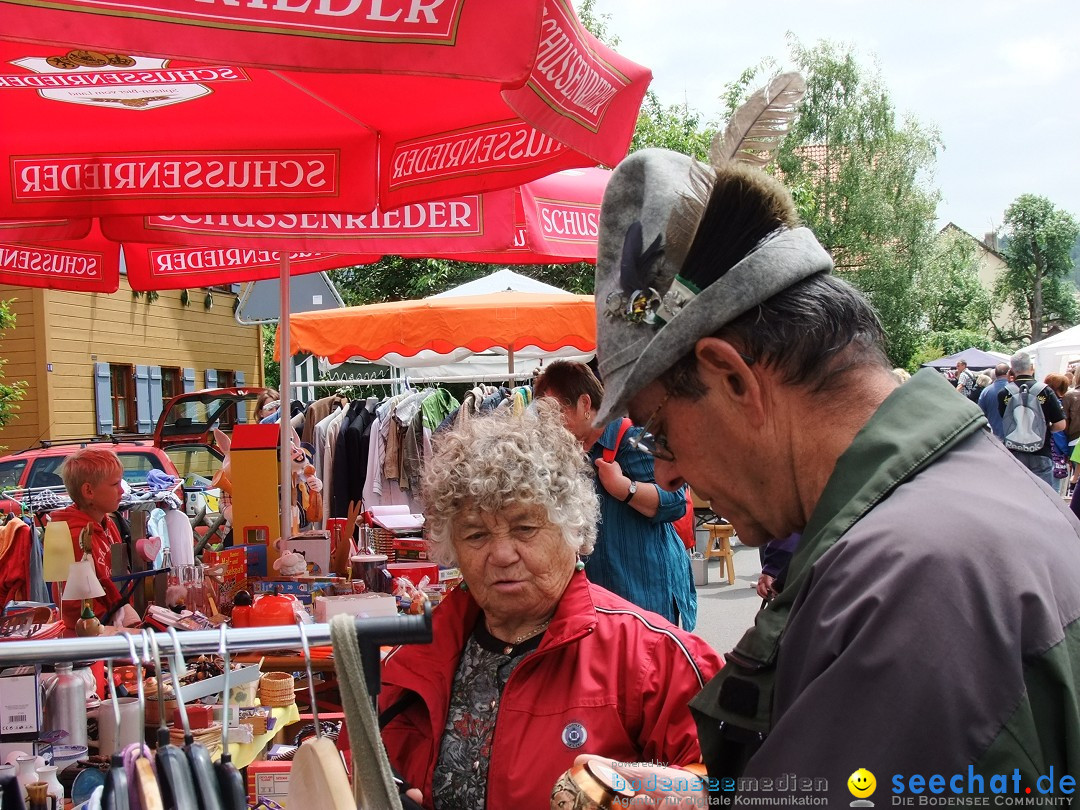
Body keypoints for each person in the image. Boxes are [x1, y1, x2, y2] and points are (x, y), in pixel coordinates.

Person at [580, 138, 1080, 804]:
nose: (668, 474)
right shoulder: (974, 501)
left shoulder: (903, 590)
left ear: (731, 376)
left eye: (660, 431)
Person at [376, 401, 721, 809]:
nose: (501, 554)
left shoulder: (657, 660)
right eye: (475, 536)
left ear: (573, 528)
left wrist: (650, 793)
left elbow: (730, 784)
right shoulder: (413, 661)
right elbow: (357, 770)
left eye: (525, 527)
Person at [533, 359, 696, 629]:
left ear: (585, 405)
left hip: (645, 592)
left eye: (557, 412)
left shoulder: (635, 436)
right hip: (596, 597)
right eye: (544, 415)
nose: (550, 423)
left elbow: (676, 501)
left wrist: (625, 489)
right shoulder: (562, 450)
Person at [51, 447, 126, 633]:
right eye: (115, 484)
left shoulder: (108, 524)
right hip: (88, 637)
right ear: (89, 491)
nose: (122, 490)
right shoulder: (73, 536)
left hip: (115, 624)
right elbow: (74, 605)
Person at [996, 351, 1066, 488]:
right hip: (1040, 451)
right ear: (1032, 367)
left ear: (1012, 369)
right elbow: (1061, 424)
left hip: (1014, 451)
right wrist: (1046, 428)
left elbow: (1004, 419)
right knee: (1043, 497)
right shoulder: (1045, 391)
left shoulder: (1004, 393)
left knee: (1017, 496)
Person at [977, 362, 1010, 439]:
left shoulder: (986, 391)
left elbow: (980, 413)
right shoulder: (1016, 389)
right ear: (1009, 372)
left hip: (995, 436)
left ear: (995, 373)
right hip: (1013, 437)